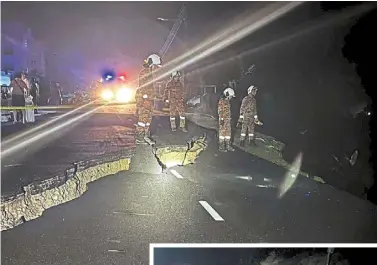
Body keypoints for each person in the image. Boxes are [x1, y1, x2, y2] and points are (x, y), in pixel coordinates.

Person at [135, 54, 162, 144]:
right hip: (145, 100)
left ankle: (146, 135)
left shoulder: (150, 73)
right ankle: (140, 137)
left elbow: (150, 88)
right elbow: (142, 87)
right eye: (155, 66)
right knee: (143, 118)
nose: (156, 68)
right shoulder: (145, 73)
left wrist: (156, 96)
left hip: (149, 99)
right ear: (151, 64)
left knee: (148, 118)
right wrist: (140, 102)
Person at [218, 87, 236, 152]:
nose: (231, 97)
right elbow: (220, 111)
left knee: (228, 134)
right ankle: (221, 147)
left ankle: (228, 146)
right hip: (223, 120)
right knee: (222, 134)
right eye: (231, 96)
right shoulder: (222, 101)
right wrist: (222, 119)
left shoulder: (228, 102)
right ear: (227, 94)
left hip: (228, 120)